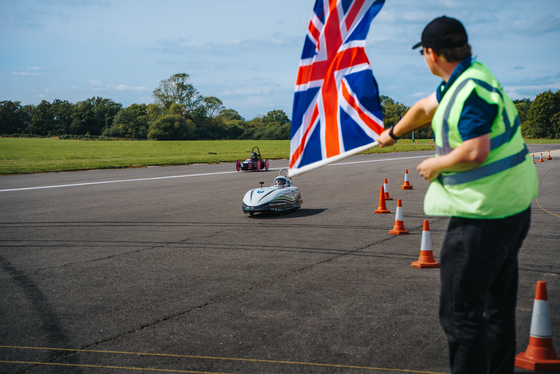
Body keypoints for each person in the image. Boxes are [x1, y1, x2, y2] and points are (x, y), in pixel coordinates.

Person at [376, 16, 538, 374]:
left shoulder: (469, 92)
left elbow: (475, 150)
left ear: (431, 53)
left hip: (484, 217)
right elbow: (422, 107)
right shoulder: (469, 77)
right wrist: (393, 132)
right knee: (497, 310)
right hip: (511, 208)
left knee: (459, 316)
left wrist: (438, 164)